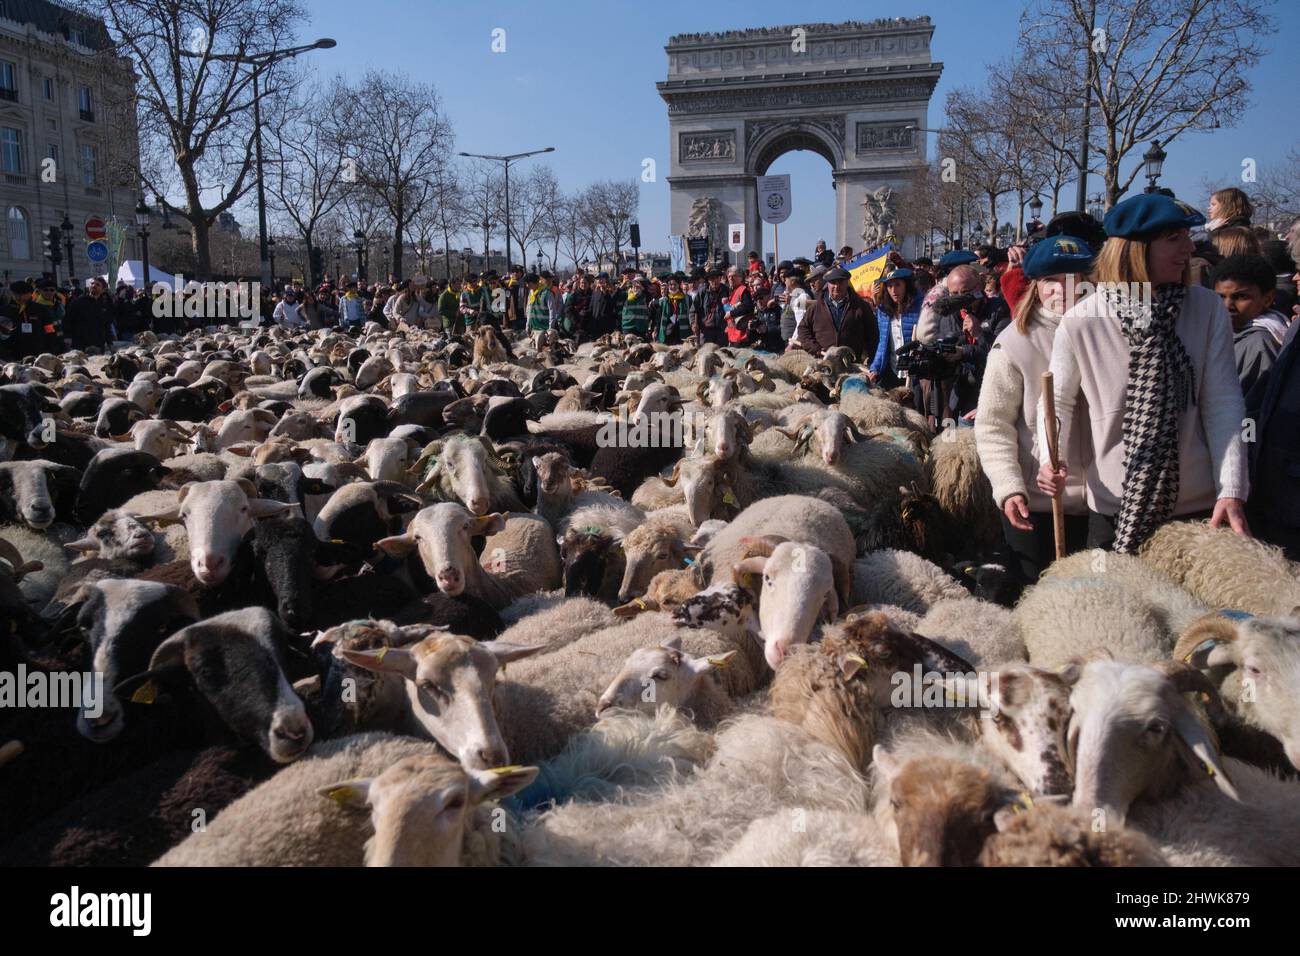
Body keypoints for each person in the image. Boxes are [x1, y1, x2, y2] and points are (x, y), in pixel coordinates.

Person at [1037, 193, 1250, 553]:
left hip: (1196, 507)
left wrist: (1231, 488)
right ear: (1135, 249)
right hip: (1114, 503)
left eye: (1187, 235)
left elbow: (1222, 401)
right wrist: (1049, 459)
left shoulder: (1207, 308)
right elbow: (1057, 402)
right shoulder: (1081, 321)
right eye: (1173, 239)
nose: (1188, 247)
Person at [975, 235, 1095, 584]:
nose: (1063, 290)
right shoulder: (1014, 343)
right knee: (1036, 602)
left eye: (1074, 280)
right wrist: (1009, 487)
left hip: (1102, 506)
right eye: (1051, 282)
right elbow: (993, 424)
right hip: (1039, 505)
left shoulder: (1110, 334)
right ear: (1036, 286)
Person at [1212, 254, 1286, 395]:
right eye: (1220, 297)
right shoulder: (1225, 332)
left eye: (1241, 297)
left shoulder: (1259, 345)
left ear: (1267, 299)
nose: (1227, 305)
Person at [791, 266, 877, 361]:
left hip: (852, 365)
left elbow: (872, 335)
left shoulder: (861, 307)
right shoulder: (815, 308)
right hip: (823, 363)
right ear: (827, 284)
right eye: (833, 282)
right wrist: (815, 349)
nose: (836, 286)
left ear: (847, 282)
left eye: (840, 282)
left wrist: (873, 361)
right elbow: (803, 330)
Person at [868, 266, 921, 389]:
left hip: (914, 373)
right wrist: (875, 367)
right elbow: (883, 343)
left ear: (906, 286)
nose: (893, 290)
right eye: (890, 286)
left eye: (897, 285)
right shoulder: (884, 311)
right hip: (892, 369)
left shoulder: (919, 307)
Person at [64, 276, 114, 351]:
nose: (94, 286)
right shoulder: (78, 302)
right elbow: (68, 320)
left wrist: (110, 344)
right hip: (80, 344)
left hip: (98, 344)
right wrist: (68, 337)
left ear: (103, 289)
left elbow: (106, 326)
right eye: (92, 283)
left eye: (97, 285)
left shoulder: (105, 305)